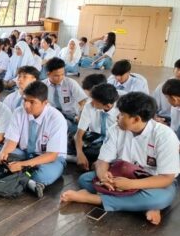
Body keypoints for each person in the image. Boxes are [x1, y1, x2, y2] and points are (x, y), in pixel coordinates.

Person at [61, 92, 180, 226]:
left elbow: (166, 178)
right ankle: (142, 205)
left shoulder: (165, 136)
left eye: (122, 114)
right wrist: (104, 178)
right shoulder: (116, 129)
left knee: (160, 198)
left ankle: (94, 199)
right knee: (85, 179)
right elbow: (102, 161)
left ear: (136, 119)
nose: (117, 116)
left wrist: (131, 185)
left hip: (153, 182)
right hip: (120, 176)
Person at [0, 81, 68, 198]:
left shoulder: (57, 119)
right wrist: (3, 152)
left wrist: (22, 165)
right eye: (25, 100)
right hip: (25, 153)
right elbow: (11, 141)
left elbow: (52, 155)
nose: (26, 105)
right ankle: (29, 182)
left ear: (45, 103)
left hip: (49, 158)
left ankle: (20, 177)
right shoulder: (19, 112)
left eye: (32, 102)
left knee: (42, 175)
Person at [74, 83, 119, 170]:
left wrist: (101, 160)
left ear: (107, 106)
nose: (91, 102)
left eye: (95, 101)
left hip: (113, 142)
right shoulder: (89, 106)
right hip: (95, 138)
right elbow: (79, 133)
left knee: (110, 152)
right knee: (73, 138)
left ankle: (101, 161)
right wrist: (80, 154)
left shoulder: (121, 112)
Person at [43, 57, 88, 134]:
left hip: (72, 116)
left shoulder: (70, 83)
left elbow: (83, 101)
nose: (60, 78)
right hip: (54, 116)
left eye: (62, 74)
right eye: (56, 75)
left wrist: (81, 116)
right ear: (48, 74)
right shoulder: (42, 86)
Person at [153, 59, 180, 124]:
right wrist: (155, 117)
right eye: (178, 69)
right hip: (163, 118)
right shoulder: (163, 87)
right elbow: (152, 107)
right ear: (174, 70)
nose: (179, 72)